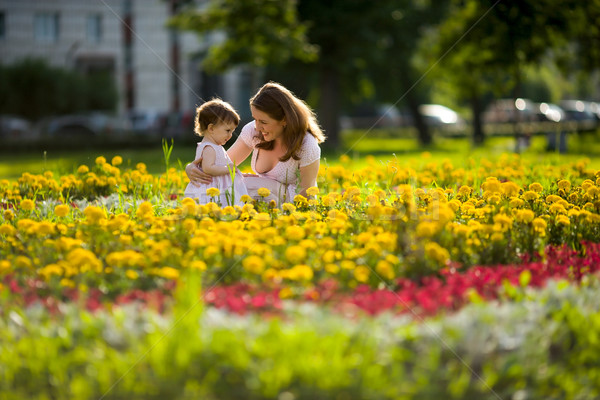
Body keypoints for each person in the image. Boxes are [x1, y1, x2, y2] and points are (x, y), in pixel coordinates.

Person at [185, 82, 325, 204]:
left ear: (284, 120)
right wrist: (191, 167)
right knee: (231, 186)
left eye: (263, 122)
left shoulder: (307, 145)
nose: (257, 127)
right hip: (263, 195)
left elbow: (306, 194)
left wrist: (259, 186)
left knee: (239, 187)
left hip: (291, 201)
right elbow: (223, 165)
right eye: (255, 119)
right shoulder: (253, 131)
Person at [183, 99, 248, 206]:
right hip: (211, 189)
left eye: (232, 131)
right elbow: (208, 168)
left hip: (216, 187)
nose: (230, 135)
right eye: (227, 130)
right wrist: (229, 168)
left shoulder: (214, 146)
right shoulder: (209, 148)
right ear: (211, 128)